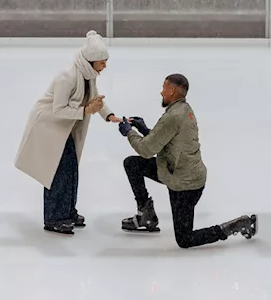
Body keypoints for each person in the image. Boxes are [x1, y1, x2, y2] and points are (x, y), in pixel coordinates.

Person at [119, 73, 257, 247]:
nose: (161, 92)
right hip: (177, 171)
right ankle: (146, 215)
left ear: (173, 90)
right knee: (132, 164)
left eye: (164, 88)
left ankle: (234, 226)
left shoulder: (173, 116)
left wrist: (129, 132)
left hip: (186, 185)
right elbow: (166, 141)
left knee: (184, 239)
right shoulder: (184, 110)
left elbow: (146, 150)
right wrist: (145, 130)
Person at [14, 30, 123, 234]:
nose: (105, 66)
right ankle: (54, 217)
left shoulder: (88, 74)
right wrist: (85, 110)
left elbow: (95, 97)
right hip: (49, 127)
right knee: (57, 172)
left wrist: (108, 115)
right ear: (91, 61)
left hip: (64, 128)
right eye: (102, 62)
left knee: (71, 169)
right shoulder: (68, 76)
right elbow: (58, 109)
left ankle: (68, 211)